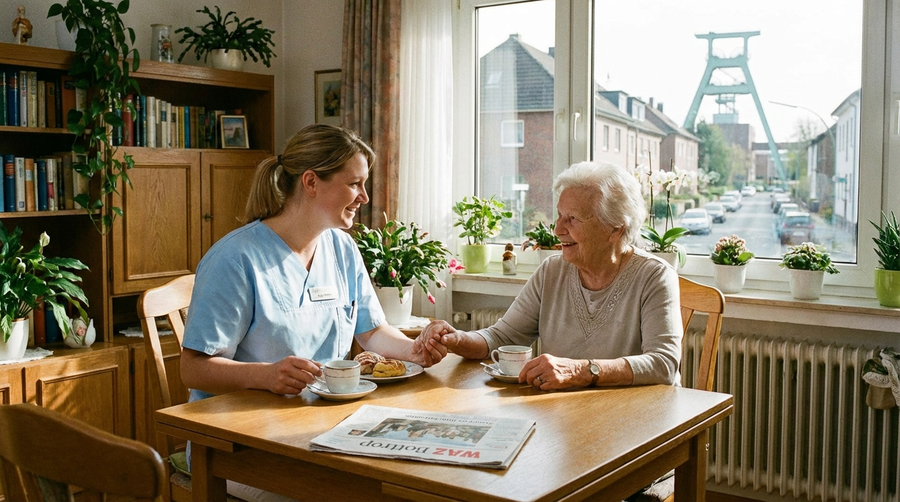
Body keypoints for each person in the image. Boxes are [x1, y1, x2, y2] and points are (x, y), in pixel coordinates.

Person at [180, 124, 446, 501]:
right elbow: (193, 367)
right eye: (354, 184)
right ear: (310, 182)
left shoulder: (342, 248)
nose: (365, 197)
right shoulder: (235, 259)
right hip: (237, 445)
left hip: (320, 426)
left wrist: (413, 349)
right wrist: (267, 375)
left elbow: (371, 331)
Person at [425, 161, 682, 390]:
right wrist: (457, 339)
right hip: (563, 414)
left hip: (637, 418)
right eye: (560, 215)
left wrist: (581, 371)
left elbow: (663, 364)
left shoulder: (655, 276)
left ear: (614, 229)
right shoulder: (551, 271)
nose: (558, 229)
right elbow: (501, 337)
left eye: (573, 219)